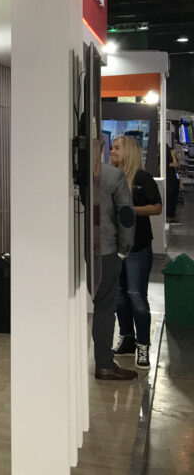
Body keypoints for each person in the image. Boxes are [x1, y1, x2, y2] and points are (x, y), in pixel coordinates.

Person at [110, 136, 161, 369]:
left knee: (136, 295)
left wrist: (130, 210)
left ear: (128, 151)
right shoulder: (111, 178)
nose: (112, 152)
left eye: (116, 148)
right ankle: (127, 338)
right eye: (112, 148)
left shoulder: (142, 178)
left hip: (138, 247)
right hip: (115, 247)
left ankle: (143, 345)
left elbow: (156, 207)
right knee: (119, 296)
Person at [93, 152, 137, 380]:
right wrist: (123, 249)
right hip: (105, 250)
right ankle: (104, 364)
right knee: (104, 308)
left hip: (74, 250)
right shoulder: (113, 175)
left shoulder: (65, 174)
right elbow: (126, 215)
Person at [166, 144, 181, 222]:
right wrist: (173, 156)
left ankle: (172, 216)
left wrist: (180, 182)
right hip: (170, 181)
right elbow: (174, 164)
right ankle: (169, 216)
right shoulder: (166, 159)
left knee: (174, 199)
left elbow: (177, 167)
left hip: (175, 180)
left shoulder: (172, 157)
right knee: (169, 198)